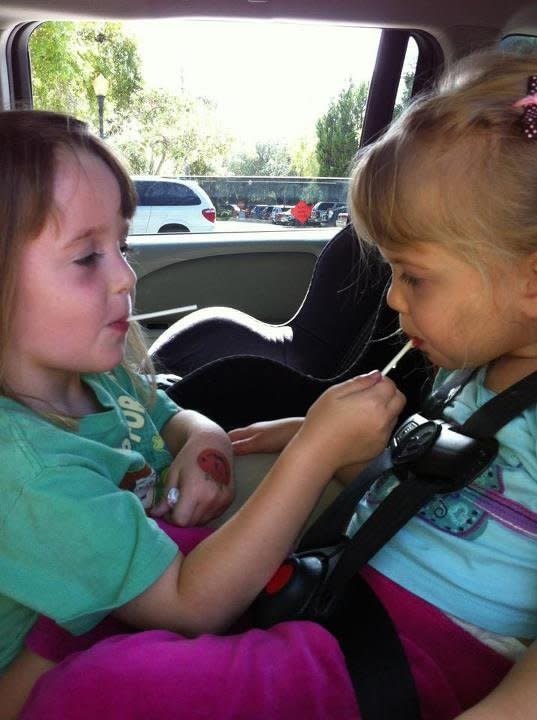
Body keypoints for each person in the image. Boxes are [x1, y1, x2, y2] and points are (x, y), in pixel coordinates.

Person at [0, 109, 405, 720]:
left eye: (123, 245)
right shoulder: (26, 470)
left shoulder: (94, 374)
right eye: (87, 258)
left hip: (138, 592)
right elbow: (191, 605)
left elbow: (174, 417)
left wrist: (203, 438)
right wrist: (313, 449)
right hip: (60, 673)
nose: (125, 277)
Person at [230, 50, 537, 719]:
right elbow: (442, 488)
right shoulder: (467, 376)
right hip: (352, 595)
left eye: (413, 276)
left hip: (425, 659)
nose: (394, 300)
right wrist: (320, 441)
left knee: (112, 687)